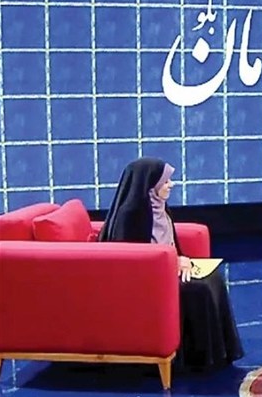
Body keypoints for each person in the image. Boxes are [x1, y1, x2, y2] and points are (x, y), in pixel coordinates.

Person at [99, 157, 243, 371]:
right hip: (145, 281)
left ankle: (220, 355)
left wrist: (181, 260)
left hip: (166, 270)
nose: (171, 185)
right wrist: (172, 263)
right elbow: (130, 260)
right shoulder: (130, 215)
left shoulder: (161, 209)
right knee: (198, 290)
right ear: (150, 185)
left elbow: (170, 244)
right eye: (165, 181)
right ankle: (197, 361)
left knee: (214, 279)